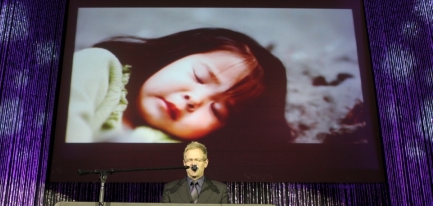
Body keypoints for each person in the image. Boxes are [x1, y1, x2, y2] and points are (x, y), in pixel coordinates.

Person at [66, 28, 292, 144]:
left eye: (217, 110)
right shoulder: (100, 67)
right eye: (199, 76)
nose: (194, 100)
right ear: (174, 56)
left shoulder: (181, 152)